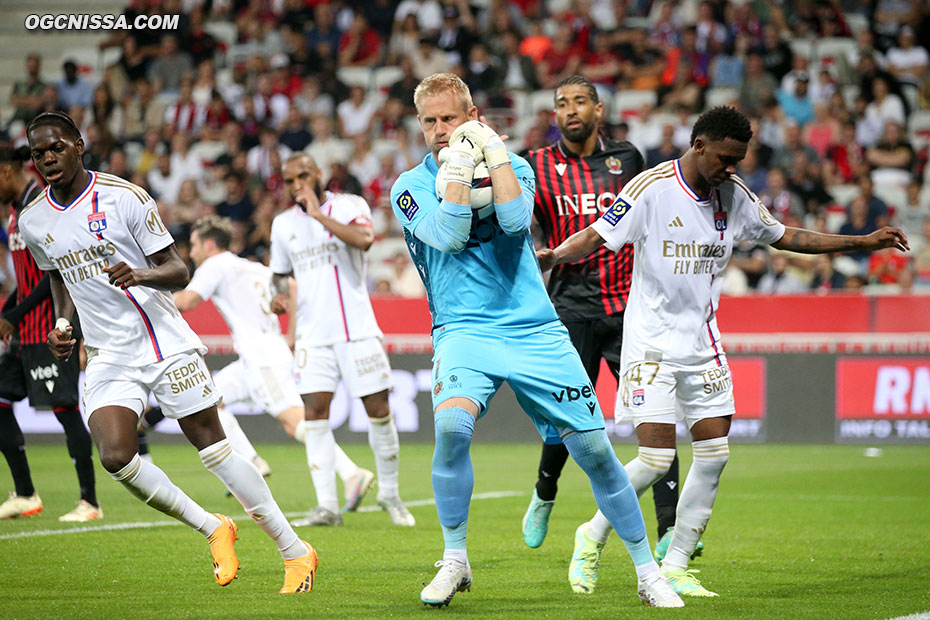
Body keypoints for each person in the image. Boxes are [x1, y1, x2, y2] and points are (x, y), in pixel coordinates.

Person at [537, 106, 908, 598]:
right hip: (649, 345)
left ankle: (676, 564)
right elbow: (598, 235)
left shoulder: (734, 196)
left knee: (714, 455)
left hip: (703, 346)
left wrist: (861, 241)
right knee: (652, 459)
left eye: (739, 160)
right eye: (725, 159)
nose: (731, 169)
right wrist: (555, 255)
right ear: (699, 146)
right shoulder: (651, 188)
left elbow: (788, 237)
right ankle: (591, 536)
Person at [390, 72, 682, 609]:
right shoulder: (407, 187)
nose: (438, 129)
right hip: (462, 330)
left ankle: (648, 572)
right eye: (429, 121)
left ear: (472, 115)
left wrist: (494, 154)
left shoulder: (516, 167)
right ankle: (455, 559)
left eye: (449, 118)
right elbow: (451, 235)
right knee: (452, 426)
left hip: (535, 329)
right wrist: (458, 165)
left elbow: (515, 219)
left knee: (594, 450)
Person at [18, 112, 318, 594]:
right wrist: (61, 323)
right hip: (107, 353)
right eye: (37, 153)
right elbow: (60, 275)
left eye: (55, 147)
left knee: (215, 451)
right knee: (116, 456)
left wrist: (139, 275)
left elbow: (177, 270)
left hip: (162, 343)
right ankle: (213, 527)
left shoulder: (125, 198)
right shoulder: (34, 221)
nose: (47, 158)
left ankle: (295, 550)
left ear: (78, 144)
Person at [522, 75, 690, 576]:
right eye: (561, 104)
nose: (570, 110)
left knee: (656, 418)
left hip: (629, 312)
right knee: (566, 418)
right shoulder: (536, 165)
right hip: (570, 309)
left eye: (579, 102)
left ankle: (669, 531)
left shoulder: (629, 160)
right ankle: (545, 492)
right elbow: (517, 224)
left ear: (598, 109)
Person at [173, 215, 377, 512]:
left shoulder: (215, 265)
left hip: (263, 360)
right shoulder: (253, 267)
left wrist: (149, 298)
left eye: (192, 246)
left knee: (294, 422)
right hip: (257, 357)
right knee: (207, 399)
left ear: (208, 244)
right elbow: (291, 287)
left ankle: (351, 473)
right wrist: (290, 335)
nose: (190, 253)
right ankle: (252, 461)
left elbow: (187, 301)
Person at [271, 153, 415, 528]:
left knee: (379, 411)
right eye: (290, 181)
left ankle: (390, 494)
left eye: (303, 176)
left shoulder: (350, 205)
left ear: (319, 173)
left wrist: (319, 215)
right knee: (315, 415)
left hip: (357, 331)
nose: (297, 185)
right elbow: (281, 275)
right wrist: (277, 298)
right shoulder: (282, 224)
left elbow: (365, 239)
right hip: (313, 338)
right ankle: (327, 507)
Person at [0, 144, 101, 522]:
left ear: (6, 172)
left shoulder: (40, 207)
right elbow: (26, 281)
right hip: (24, 332)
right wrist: (10, 313)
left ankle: (90, 502)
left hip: (51, 329)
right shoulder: (14, 214)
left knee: (65, 410)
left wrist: (16, 314)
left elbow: (54, 274)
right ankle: (25, 493)